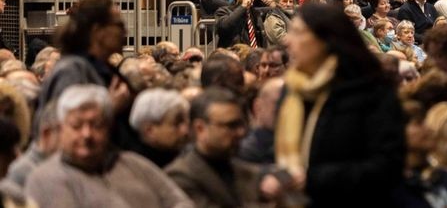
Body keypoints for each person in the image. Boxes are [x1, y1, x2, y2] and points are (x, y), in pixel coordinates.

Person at [276, 2, 408, 205]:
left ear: (325, 41)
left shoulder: (371, 91)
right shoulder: (293, 89)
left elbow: (387, 166)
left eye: (298, 32)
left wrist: (314, 178)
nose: (287, 40)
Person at [26, 84, 190, 208]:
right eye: (76, 126)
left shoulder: (135, 165)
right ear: (61, 129)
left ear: (108, 128)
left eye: (96, 125)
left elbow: (180, 203)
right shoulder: (45, 179)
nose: (87, 134)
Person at [166, 87, 268, 207]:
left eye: (241, 124)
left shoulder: (246, 171)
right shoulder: (179, 176)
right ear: (200, 129)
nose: (241, 132)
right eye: (231, 126)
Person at [128, 88, 189, 168]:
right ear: (150, 131)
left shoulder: (181, 153)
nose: (185, 130)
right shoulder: (138, 169)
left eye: (185, 121)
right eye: (176, 124)